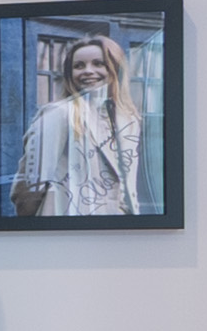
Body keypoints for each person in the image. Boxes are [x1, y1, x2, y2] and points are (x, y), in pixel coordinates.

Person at [11, 28, 144, 218]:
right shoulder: (59, 113)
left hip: (118, 232)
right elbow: (30, 185)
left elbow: (128, 188)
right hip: (67, 228)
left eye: (99, 64)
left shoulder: (128, 120)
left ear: (115, 69)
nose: (88, 71)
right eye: (79, 66)